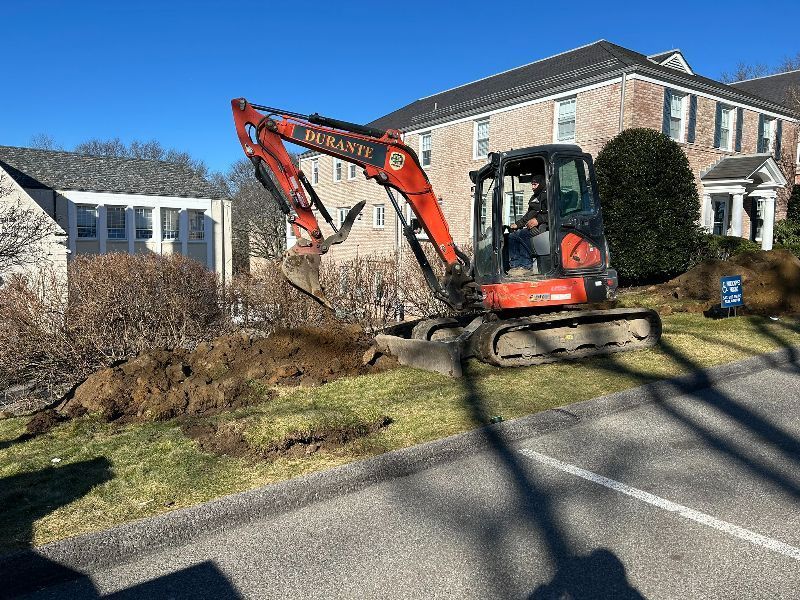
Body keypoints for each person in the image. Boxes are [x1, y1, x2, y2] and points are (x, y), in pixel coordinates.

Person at [508, 174, 548, 272]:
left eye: (535, 184)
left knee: (522, 234)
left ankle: (526, 266)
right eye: (532, 184)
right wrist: (517, 224)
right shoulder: (534, 198)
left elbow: (554, 213)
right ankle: (515, 266)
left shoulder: (549, 195)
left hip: (545, 228)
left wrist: (538, 220)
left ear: (541, 183)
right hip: (534, 228)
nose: (533, 187)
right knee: (512, 236)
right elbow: (528, 215)